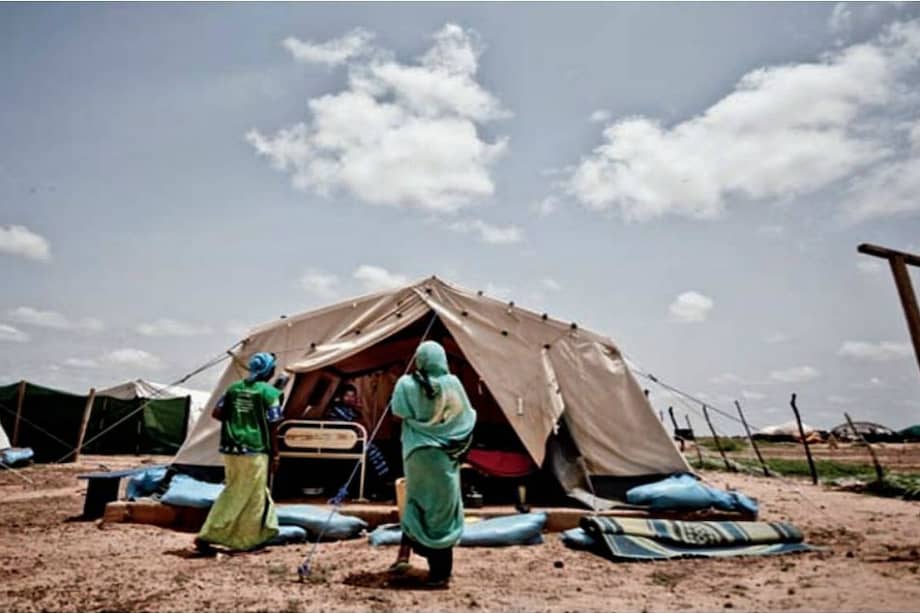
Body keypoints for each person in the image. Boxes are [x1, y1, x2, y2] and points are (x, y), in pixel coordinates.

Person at [388, 340, 477, 587]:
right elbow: (467, 418)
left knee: (417, 504)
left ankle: (407, 555)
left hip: (416, 455)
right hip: (443, 458)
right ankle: (439, 574)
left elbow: (397, 413)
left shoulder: (405, 384)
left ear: (419, 360)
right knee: (443, 512)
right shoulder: (454, 385)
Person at [194, 352, 284, 553]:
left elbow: (217, 412)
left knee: (235, 488)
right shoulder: (270, 393)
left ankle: (232, 534)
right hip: (255, 448)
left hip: (231, 447)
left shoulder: (233, 389)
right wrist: (276, 454)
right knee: (252, 496)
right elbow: (274, 424)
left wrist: (237, 420)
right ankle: (238, 539)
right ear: (268, 371)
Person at [327, 383, 392, 496]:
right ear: (341, 396)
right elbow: (357, 425)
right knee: (373, 451)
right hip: (343, 441)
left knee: (377, 449)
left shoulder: (351, 410)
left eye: (353, 396)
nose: (350, 399)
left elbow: (361, 427)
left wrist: (359, 411)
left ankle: (380, 482)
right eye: (347, 396)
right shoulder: (338, 409)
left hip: (351, 439)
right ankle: (378, 485)